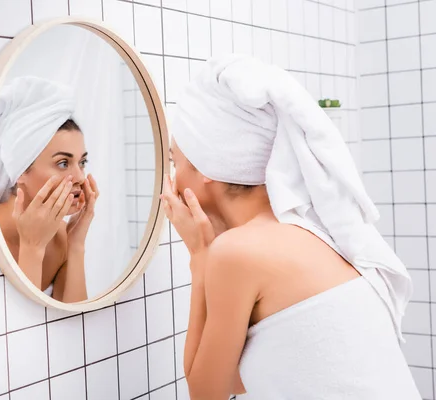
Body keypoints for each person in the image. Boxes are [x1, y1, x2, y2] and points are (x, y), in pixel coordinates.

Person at [161, 54, 420, 400]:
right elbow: (250, 374)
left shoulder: (237, 252)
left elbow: (207, 392)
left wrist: (199, 255)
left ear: (207, 165)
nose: (173, 178)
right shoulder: (310, 231)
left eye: (175, 160)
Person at [0, 76, 98, 303]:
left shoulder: (61, 238)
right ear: (21, 172)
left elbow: (73, 323)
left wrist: (75, 244)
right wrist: (32, 247)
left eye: (82, 162)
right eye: (62, 163)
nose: (80, 177)